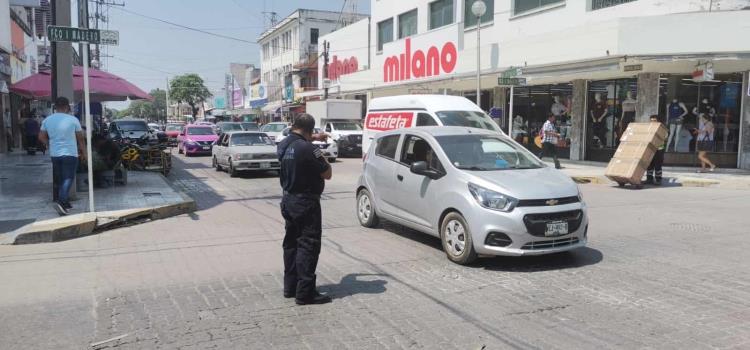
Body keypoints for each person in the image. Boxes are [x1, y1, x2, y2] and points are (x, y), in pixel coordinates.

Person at [277, 113, 333, 305]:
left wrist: (312, 138)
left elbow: (295, 140)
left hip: (288, 200)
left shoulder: (284, 145)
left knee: (291, 244)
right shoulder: (310, 149)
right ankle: (305, 292)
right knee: (308, 246)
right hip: (306, 203)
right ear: (310, 130)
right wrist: (318, 149)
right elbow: (327, 173)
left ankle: (290, 287)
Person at [38, 97, 85, 216]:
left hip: (55, 154)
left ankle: (65, 203)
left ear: (55, 107)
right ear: (67, 107)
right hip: (70, 153)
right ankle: (61, 201)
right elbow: (81, 139)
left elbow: (41, 137)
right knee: (68, 178)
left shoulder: (47, 120)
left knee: (61, 179)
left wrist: (49, 144)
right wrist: (84, 153)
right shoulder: (73, 120)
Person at [645, 115, 665, 185]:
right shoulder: (649, 128)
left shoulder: (662, 129)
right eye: (651, 120)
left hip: (659, 150)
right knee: (649, 164)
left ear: (658, 121)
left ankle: (658, 180)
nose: (652, 122)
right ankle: (649, 179)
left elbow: (665, 136)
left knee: (658, 165)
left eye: (654, 121)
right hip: (650, 149)